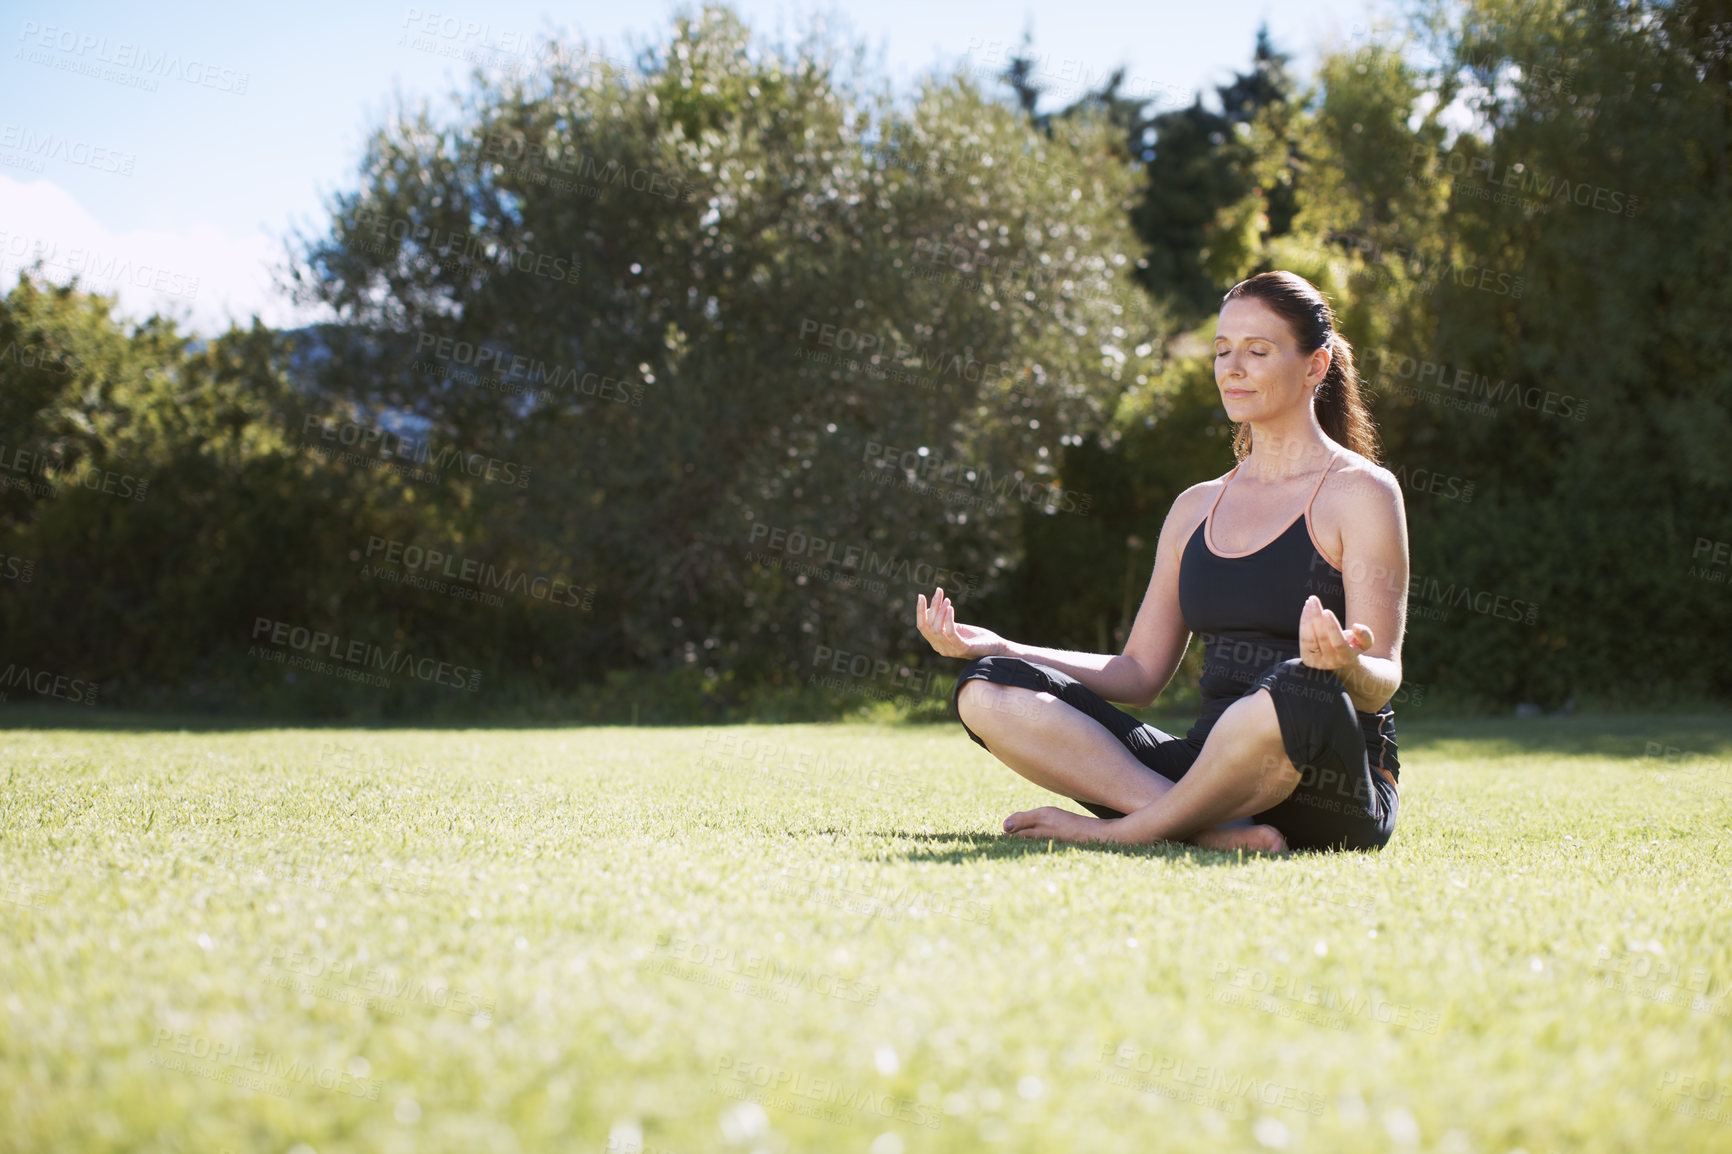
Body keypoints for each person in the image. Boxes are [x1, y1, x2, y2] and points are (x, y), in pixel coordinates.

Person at [914, 270, 1408, 853]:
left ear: (1315, 366)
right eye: (1222, 351)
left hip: (1328, 787)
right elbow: (1140, 675)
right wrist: (1002, 647)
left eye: (1257, 351)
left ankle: (1130, 831)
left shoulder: (1363, 493)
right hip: (1203, 773)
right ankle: (1208, 831)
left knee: (1301, 684)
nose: (1232, 368)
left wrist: (1343, 666)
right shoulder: (1195, 507)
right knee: (986, 688)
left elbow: (1382, 680)